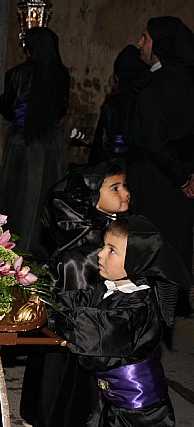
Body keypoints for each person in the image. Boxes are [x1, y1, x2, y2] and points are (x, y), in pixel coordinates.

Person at [52, 216, 191, 426]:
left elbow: (90, 333)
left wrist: (56, 316)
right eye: (104, 246)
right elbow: (79, 300)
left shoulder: (138, 308)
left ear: (138, 259)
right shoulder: (112, 286)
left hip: (140, 413)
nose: (100, 253)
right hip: (116, 402)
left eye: (112, 250)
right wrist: (46, 300)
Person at [20, 162, 130, 426]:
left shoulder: (109, 235)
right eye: (115, 188)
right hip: (74, 339)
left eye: (125, 185)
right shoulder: (82, 255)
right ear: (89, 199)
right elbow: (74, 315)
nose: (125, 193)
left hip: (92, 334)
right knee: (60, 389)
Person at [125, 16, 194, 316]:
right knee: (171, 245)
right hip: (178, 177)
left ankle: (150, 316)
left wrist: (180, 177)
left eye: (145, 37)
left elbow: (154, 140)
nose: (140, 43)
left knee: (152, 249)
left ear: (160, 44)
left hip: (157, 179)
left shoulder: (160, 85)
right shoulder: (185, 80)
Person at [0, 26, 70, 261]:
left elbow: (7, 106)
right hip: (49, 144)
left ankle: (11, 244)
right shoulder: (61, 74)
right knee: (40, 195)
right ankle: (38, 248)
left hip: (22, 143)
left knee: (17, 194)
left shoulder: (17, 73)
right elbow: (63, 106)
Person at [89, 45, 149, 165]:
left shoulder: (114, 105)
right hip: (143, 172)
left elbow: (101, 150)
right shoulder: (151, 99)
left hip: (116, 174)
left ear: (118, 76)